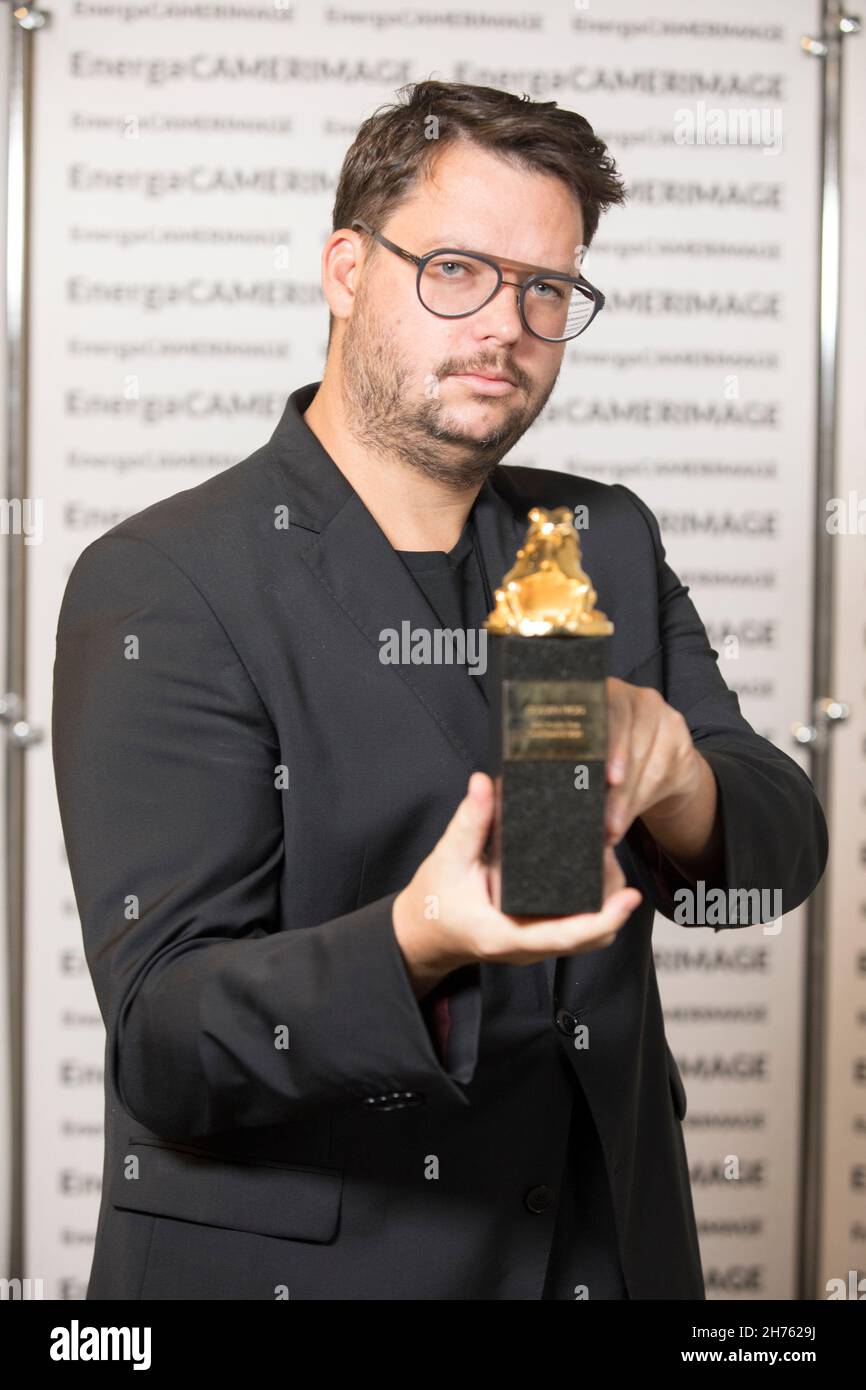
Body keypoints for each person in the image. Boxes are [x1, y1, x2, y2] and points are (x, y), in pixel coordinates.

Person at [52, 79, 828, 1301]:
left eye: (546, 289)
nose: (506, 325)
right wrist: (415, 943)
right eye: (457, 268)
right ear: (347, 268)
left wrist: (680, 776)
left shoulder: (597, 536)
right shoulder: (164, 582)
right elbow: (165, 1038)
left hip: (601, 1255)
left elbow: (774, 861)